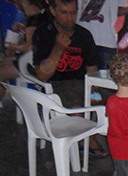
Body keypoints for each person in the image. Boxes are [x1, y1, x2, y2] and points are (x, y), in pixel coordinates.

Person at [32, 0, 106, 156]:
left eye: (73, 12)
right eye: (64, 13)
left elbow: (92, 69)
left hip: (81, 83)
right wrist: (58, 49)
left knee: (117, 99)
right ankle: (86, 141)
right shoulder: (43, 33)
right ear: (53, 11)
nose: (70, 18)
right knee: (77, 107)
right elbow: (42, 75)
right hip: (56, 85)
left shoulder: (84, 35)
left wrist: (95, 90)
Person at [0, 0, 50, 102]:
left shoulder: (33, 19)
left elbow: (29, 47)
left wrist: (14, 47)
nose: (18, 8)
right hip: (39, 59)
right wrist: (23, 29)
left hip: (33, 62)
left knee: (2, 72)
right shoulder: (44, 15)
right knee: (4, 65)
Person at [77, 0, 128, 69]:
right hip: (81, 39)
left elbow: (116, 10)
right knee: (80, 74)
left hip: (107, 40)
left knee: (106, 75)